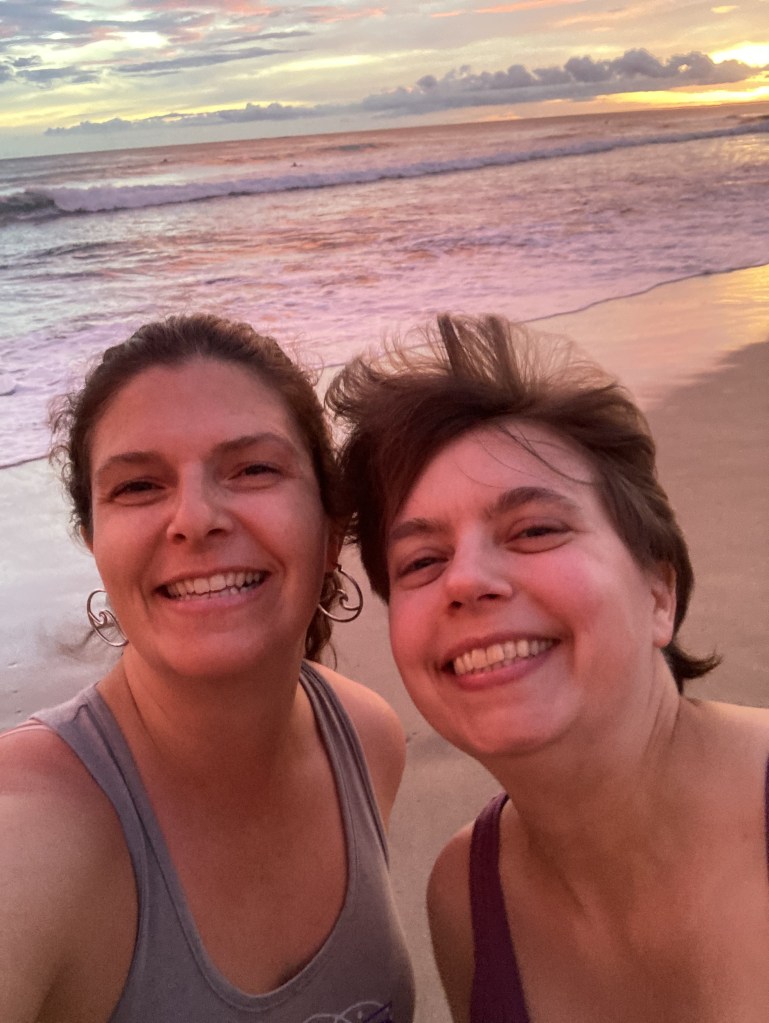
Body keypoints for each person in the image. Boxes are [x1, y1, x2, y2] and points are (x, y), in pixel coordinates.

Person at [327, 314, 769, 1022]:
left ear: (660, 589)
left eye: (533, 529)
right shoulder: (469, 903)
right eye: (421, 561)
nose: (465, 580)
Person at [0, 314, 415, 1023]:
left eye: (253, 468)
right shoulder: (29, 828)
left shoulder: (366, 737)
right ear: (95, 543)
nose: (194, 518)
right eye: (137, 486)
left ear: (330, 526)